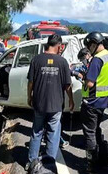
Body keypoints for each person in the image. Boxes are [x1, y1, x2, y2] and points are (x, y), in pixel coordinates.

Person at [27, 34, 74, 163]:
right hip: (56, 105)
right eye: (61, 47)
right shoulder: (62, 62)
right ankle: (49, 165)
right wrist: (71, 100)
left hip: (39, 103)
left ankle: (32, 163)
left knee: (37, 132)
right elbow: (67, 85)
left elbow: (30, 82)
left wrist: (29, 96)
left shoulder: (36, 60)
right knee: (53, 135)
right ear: (59, 45)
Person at [81, 32, 108, 174]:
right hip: (104, 102)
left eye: (89, 46)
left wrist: (81, 76)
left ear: (94, 44)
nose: (89, 49)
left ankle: (92, 166)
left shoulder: (97, 59)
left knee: (90, 133)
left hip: (92, 101)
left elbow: (90, 83)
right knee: (97, 130)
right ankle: (104, 161)